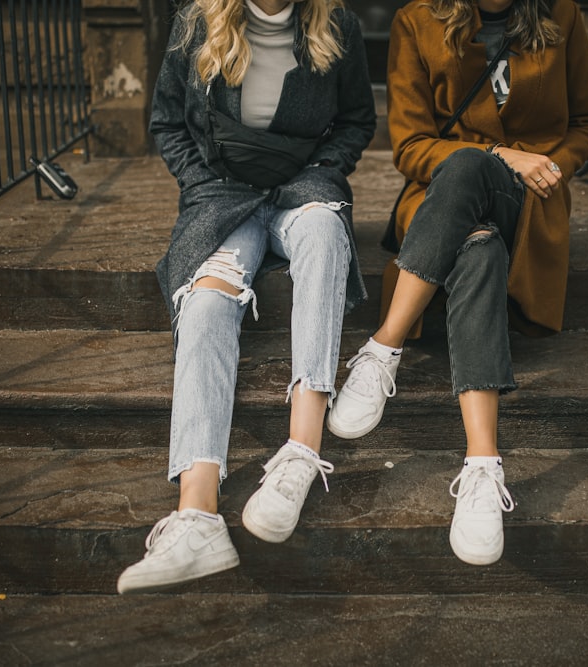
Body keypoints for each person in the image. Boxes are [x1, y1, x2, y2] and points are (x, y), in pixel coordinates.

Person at [327, 0, 588, 565]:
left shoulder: (562, 14)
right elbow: (408, 146)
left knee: (476, 173)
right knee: (477, 244)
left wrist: (549, 167)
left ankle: (384, 347)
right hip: (441, 202)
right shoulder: (415, 20)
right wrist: (500, 154)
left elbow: (587, 124)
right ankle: (482, 465)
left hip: (527, 202)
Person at [117, 0, 375, 594]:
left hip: (303, 186)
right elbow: (167, 123)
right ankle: (198, 515)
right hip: (222, 195)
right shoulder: (197, 20)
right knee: (206, 303)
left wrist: (323, 168)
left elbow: (357, 120)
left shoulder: (335, 25)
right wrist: (201, 179)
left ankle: (299, 455)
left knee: (324, 231)